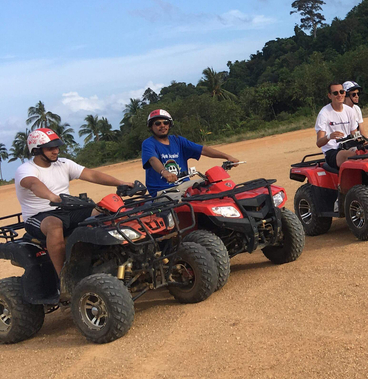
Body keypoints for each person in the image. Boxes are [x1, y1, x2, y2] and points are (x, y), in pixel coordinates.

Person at [15, 128, 134, 274]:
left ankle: (111, 257)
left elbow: (92, 175)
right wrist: (52, 197)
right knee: (54, 224)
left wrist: (121, 183)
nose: (56, 151)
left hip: (67, 210)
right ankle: (64, 278)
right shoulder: (26, 169)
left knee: (104, 210)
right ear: (36, 150)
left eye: (57, 147)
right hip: (39, 216)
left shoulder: (64, 164)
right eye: (50, 148)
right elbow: (34, 184)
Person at [142, 110, 238, 195]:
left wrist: (227, 157)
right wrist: (164, 172)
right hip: (163, 190)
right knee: (187, 203)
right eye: (158, 123)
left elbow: (202, 149)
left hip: (184, 185)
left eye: (165, 122)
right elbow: (152, 159)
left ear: (170, 125)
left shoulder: (178, 140)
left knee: (215, 185)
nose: (162, 125)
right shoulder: (149, 143)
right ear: (151, 127)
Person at [315, 82, 362, 169]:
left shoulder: (350, 111)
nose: (339, 95)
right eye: (335, 93)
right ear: (330, 96)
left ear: (345, 93)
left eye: (341, 92)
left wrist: (364, 140)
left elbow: (354, 134)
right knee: (352, 156)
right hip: (332, 152)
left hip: (348, 146)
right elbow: (319, 143)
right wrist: (329, 136)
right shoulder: (324, 113)